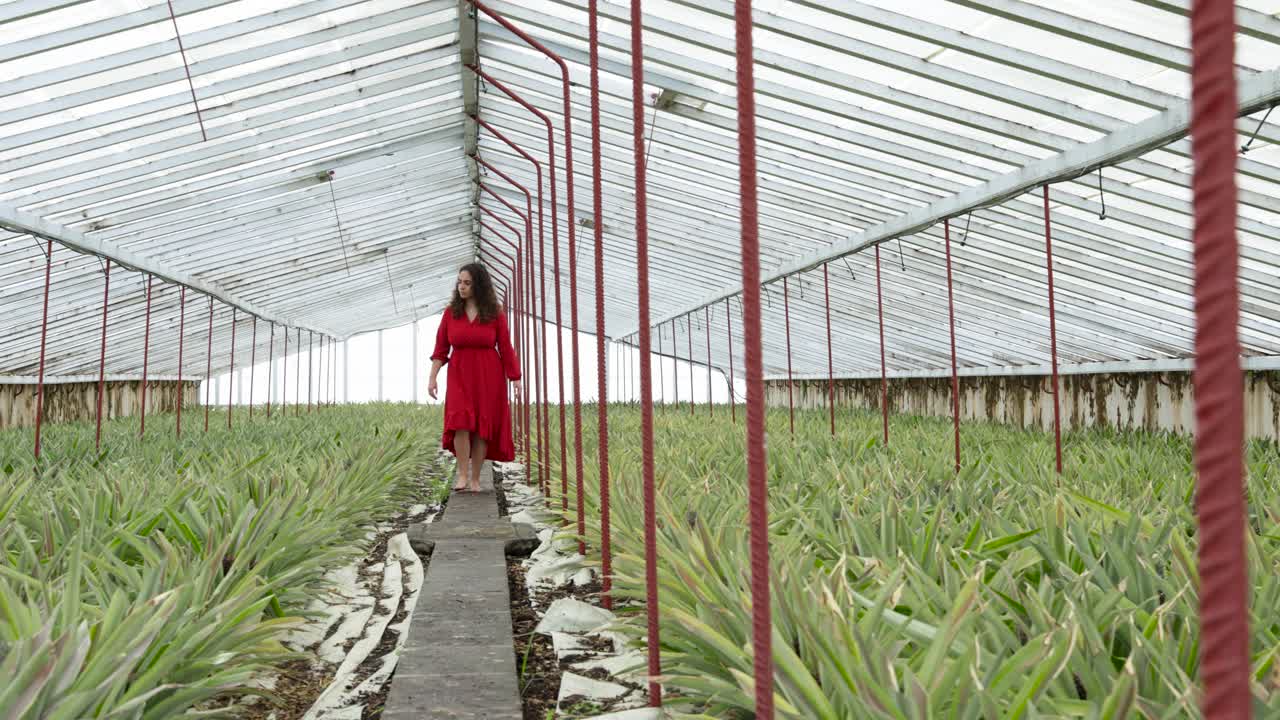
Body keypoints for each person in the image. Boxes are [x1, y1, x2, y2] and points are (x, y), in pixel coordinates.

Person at [428, 263, 521, 492]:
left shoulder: (494, 312)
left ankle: (476, 478)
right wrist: (432, 378)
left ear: (478, 285)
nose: (462, 287)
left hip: (488, 375)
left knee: (481, 427)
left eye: (467, 283)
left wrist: (515, 376)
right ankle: (462, 474)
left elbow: (505, 347)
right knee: (460, 422)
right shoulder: (451, 313)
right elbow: (440, 349)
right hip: (459, 373)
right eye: (459, 282)